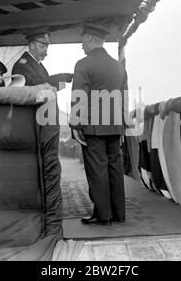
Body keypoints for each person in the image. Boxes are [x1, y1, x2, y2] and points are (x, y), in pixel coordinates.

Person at [70, 23, 128, 226]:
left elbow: (79, 97)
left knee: (97, 170)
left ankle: (102, 215)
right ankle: (118, 213)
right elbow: (124, 98)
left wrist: (75, 125)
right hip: (115, 126)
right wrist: (123, 126)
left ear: (89, 39)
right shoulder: (118, 67)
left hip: (93, 127)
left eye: (82, 41)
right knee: (114, 168)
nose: (81, 46)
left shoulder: (83, 64)